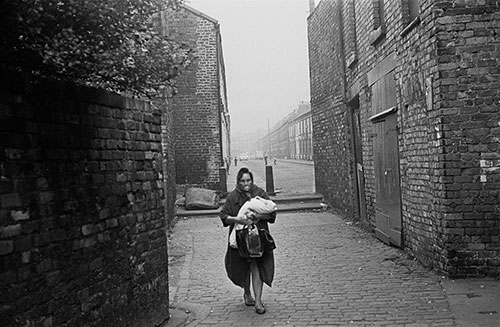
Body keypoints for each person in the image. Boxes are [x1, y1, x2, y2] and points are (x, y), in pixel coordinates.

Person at [220, 167, 276, 314]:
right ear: (238, 181)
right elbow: (224, 216)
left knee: (257, 265)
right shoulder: (233, 197)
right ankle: (247, 293)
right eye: (243, 181)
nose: (246, 184)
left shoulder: (259, 193)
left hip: (258, 239)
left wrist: (259, 217)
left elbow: (271, 214)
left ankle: (258, 302)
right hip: (241, 238)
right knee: (244, 266)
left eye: (248, 180)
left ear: (252, 180)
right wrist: (237, 219)